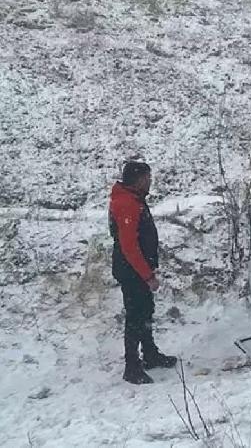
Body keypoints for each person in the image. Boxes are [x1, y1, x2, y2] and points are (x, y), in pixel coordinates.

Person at [109, 161, 176, 384]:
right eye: (148, 178)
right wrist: (147, 275)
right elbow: (129, 246)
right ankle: (131, 366)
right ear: (138, 180)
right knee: (136, 316)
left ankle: (149, 354)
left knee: (146, 310)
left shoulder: (133, 199)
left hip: (138, 267)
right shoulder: (127, 203)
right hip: (131, 270)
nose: (150, 182)